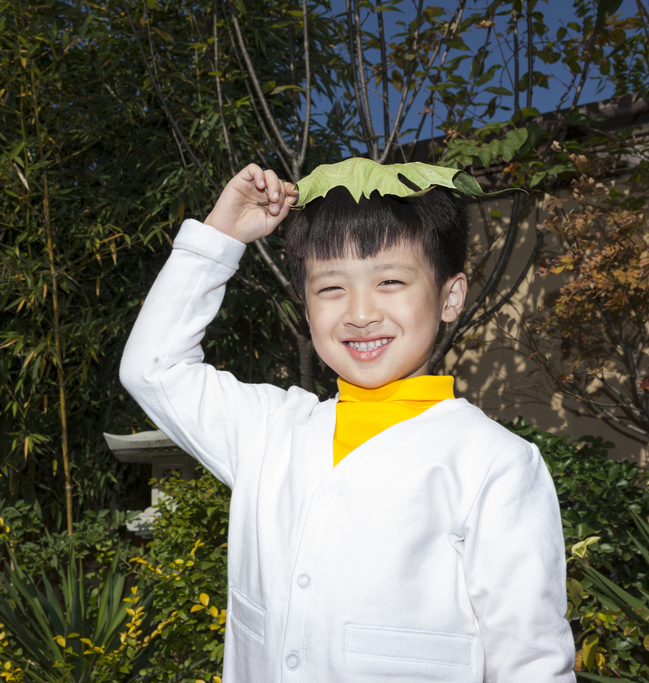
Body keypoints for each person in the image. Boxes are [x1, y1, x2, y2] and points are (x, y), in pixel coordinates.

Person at [120, 161, 575, 682]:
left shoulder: (493, 464)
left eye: (390, 280)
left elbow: (532, 664)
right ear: (307, 308)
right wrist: (221, 236)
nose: (360, 313)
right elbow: (153, 368)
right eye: (331, 289)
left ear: (450, 296)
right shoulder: (270, 432)